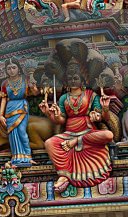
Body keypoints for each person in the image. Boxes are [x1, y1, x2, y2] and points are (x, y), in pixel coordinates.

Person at [39, 63, 114, 193]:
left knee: (108, 135)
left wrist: (104, 109)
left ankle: (78, 141)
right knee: (50, 143)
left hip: (88, 132)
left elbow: (102, 117)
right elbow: (60, 120)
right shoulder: (63, 98)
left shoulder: (91, 95)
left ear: (82, 79)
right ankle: (64, 175)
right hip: (69, 133)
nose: (73, 81)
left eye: (75, 78)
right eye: (70, 78)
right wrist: (49, 113)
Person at [0, 59, 37, 167]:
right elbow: (3, 99)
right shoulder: (5, 83)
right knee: (12, 134)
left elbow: (35, 93)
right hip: (10, 108)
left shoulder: (25, 79)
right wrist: (1, 115)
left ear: (18, 68)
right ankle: (16, 157)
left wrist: (33, 87)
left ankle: (28, 156)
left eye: (14, 67)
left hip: (22, 106)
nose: (11, 70)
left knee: (21, 131)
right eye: (9, 68)